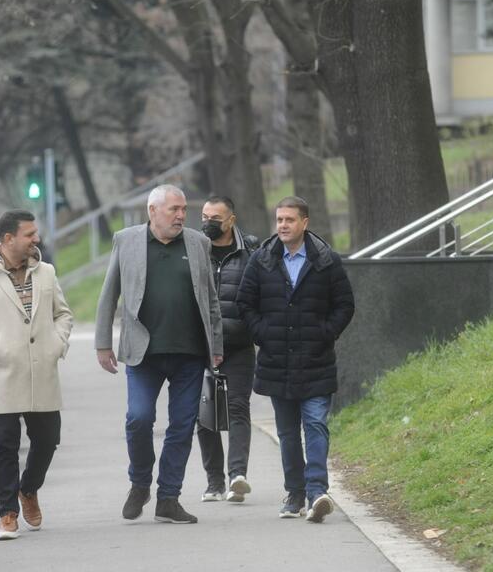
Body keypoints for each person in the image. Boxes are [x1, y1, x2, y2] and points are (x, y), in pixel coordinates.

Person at [95, 185, 223, 525]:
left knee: (181, 427)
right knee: (138, 419)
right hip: (143, 354)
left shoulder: (198, 243)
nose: (181, 215)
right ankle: (140, 483)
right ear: (152, 211)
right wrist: (103, 343)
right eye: (173, 209)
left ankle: (168, 497)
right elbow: (109, 294)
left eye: (183, 209)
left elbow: (210, 300)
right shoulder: (126, 241)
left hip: (190, 353)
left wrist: (217, 347)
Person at [236, 196, 354, 523]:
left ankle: (317, 492)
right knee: (287, 432)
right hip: (277, 360)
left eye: (289, 220)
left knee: (315, 424)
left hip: (316, 358)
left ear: (305, 222)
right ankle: (295, 493)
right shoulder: (261, 260)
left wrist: (325, 332)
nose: (283, 225)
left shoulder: (326, 261)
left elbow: (345, 305)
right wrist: (264, 333)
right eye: (279, 220)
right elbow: (245, 303)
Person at [0, 209, 73, 540]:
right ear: (9, 238)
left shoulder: (46, 271)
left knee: (48, 439)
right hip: (1, 373)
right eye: (29, 234)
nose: (36, 239)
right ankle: (7, 513)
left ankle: (29, 489)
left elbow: (63, 314)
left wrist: (56, 343)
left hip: (42, 370)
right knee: (5, 445)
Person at [197, 196, 258, 503]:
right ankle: (214, 482)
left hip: (238, 344)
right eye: (204, 217)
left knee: (237, 407)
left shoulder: (251, 252)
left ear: (231, 220)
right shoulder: (194, 250)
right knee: (204, 412)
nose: (208, 223)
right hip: (201, 345)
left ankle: (237, 476)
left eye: (215, 218)